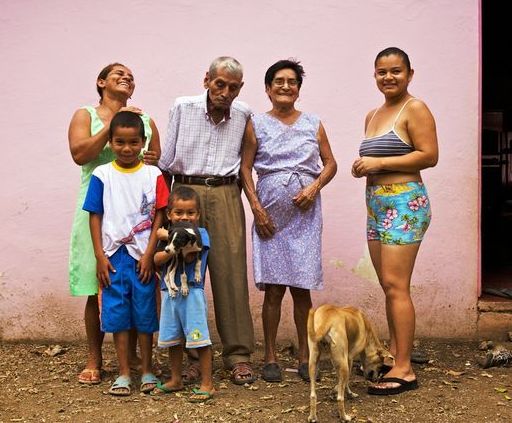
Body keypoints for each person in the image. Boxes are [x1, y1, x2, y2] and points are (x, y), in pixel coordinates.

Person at [158, 56, 256, 385]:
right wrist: (165, 207)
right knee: (185, 273)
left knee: (231, 272)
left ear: (239, 89)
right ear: (207, 80)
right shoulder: (183, 107)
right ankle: (194, 356)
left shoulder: (243, 114)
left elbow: (248, 160)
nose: (225, 92)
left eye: (232, 87)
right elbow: (166, 159)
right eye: (219, 84)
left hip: (227, 193)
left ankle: (238, 355)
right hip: (187, 194)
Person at [240, 59, 337, 382]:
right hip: (270, 217)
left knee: (302, 290)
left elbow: (330, 163)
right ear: (268, 89)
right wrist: (256, 207)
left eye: (291, 81)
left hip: (305, 217)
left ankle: (305, 355)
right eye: (278, 81)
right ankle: (268, 356)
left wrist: (314, 186)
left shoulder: (313, 123)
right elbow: (245, 169)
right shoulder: (256, 124)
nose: (285, 86)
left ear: (298, 89)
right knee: (273, 290)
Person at [351, 47, 438, 395]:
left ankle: (405, 369)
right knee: (387, 284)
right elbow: (375, 158)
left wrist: (378, 165)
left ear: (410, 74)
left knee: (396, 285)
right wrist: (364, 167)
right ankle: (395, 353)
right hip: (376, 203)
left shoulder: (414, 108)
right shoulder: (373, 113)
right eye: (382, 72)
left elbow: (429, 155)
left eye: (396, 71)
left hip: (405, 202)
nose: (389, 77)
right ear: (375, 75)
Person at [68, 63, 160, 384]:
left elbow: (155, 159)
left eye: (131, 77)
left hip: (135, 216)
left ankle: (132, 357)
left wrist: (149, 157)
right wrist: (113, 126)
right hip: (95, 212)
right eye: (118, 74)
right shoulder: (85, 115)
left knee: (135, 281)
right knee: (96, 286)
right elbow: (80, 154)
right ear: (101, 82)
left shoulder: (145, 120)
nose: (126, 78)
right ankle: (95, 358)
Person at [82, 111, 168, 395]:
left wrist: (149, 253)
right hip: (113, 256)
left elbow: (160, 214)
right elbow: (94, 215)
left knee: (145, 314)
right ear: (110, 142)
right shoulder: (102, 174)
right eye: (120, 142)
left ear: (143, 142)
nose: (127, 148)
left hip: (143, 255)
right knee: (117, 314)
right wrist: (99, 256)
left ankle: (146, 370)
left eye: (133, 142)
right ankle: (122, 373)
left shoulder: (153, 173)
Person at [151, 186, 214, 402]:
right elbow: (157, 260)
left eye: (190, 213)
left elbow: (189, 253)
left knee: (200, 339)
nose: (184, 217)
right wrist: (168, 241)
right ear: (169, 214)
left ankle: (207, 384)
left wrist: (168, 235)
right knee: (173, 340)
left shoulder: (201, 234)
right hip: (169, 294)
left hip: (192, 296)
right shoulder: (165, 237)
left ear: (198, 215)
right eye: (178, 213)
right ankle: (176, 378)